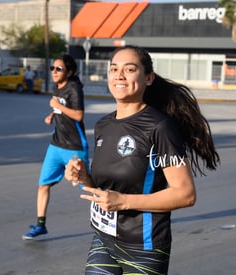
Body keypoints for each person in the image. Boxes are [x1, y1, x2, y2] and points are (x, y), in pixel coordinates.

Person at [64, 45, 220, 274]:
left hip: (144, 248)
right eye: (114, 69)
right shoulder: (103, 126)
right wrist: (83, 177)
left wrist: (124, 201)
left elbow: (185, 194)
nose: (119, 75)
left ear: (148, 78)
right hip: (104, 239)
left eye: (129, 69)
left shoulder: (159, 127)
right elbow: (107, 191)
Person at [22, 54, 89, 240]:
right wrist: (53, 113)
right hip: (56, 145)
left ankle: (121, 210)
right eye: (53, 68)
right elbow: (61, 107)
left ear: (69, 71)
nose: (54, 71)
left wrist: (57, 104)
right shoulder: (57, 87)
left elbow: (78, 115)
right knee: (43, 185)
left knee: (90, 187)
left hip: (75, 146)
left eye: (59, 69)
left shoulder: (74, 88)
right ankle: (40, 225)